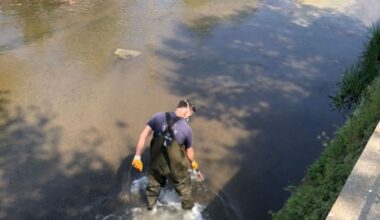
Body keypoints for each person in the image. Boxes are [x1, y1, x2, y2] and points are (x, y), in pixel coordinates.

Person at [131, 99, 199, 210]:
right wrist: (193, 163)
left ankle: (150, 210)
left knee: (153, 185)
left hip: (157, 164)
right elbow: (189, 151)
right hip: (176, 168)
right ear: (186, 112)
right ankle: (189, 213)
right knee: (185, 189)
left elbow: (143, 135)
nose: (188, 118)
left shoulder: (158, 116)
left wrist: (137, 156)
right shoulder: (187, 129)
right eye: (189, 115)